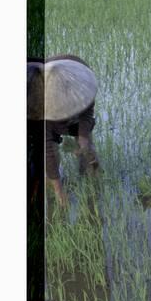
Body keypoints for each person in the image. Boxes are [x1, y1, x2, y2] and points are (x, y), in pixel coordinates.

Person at [27, 54, 99, 206]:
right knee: (46, 153)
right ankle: (48, 180)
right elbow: (48, 147)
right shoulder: (37, 102)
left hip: (67, 100)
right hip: (45, 117)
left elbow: (87, 112)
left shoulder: (82, 81)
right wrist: (59, 191)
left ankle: (91, 179)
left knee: (87, 151)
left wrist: (83, 136)